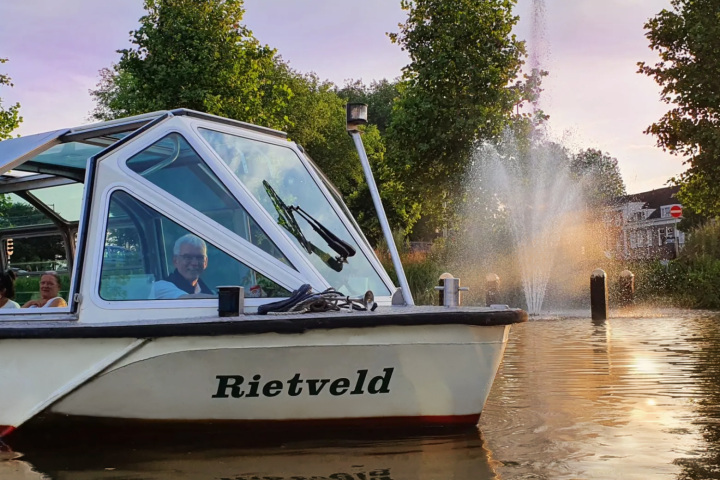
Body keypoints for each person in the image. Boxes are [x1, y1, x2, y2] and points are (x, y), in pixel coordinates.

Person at [150, 234, 214, 299]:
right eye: (188, 257)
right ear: (175, 261)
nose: (194, 263)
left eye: (200, 258)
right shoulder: (161, 287)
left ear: (205, 262)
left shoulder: (208, 292)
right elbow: (186, 300)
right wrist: (222, 299)